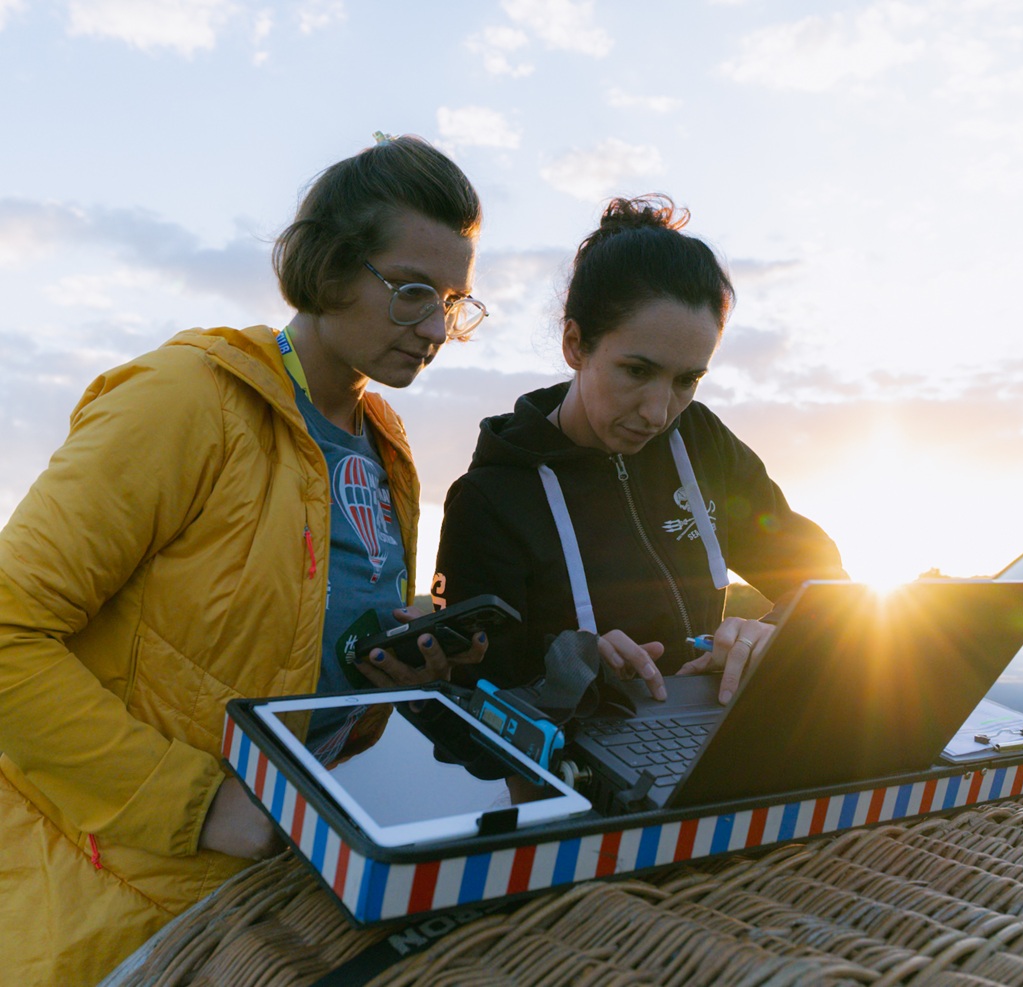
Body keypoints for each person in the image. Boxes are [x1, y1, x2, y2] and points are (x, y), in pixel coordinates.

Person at [0, 133, 489, 986]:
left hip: (263, 902)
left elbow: (295, 648)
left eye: (453, 300)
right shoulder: (185, 399)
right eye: (412, 291)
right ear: (329, 267)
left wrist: (390, 663)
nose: (436, 328)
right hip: (112, 904)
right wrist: (197, 802)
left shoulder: (383, 446)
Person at [434, 194, 847, 710]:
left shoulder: (703, 444)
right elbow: (465, 715)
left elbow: (822, 577)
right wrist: (568, 673)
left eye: (687, 379)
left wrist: (770, 634)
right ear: (575, 344)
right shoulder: (490, 499)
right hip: (570, 781)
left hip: (702, 756)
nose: (658, 411)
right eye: (637, 371)